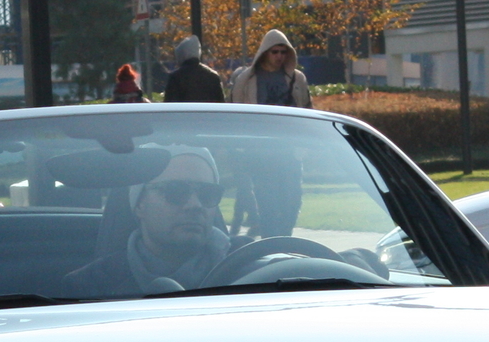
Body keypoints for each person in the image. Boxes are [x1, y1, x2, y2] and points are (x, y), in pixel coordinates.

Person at [59, 149, 236, 298]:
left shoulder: (254, 263)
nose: (195, 205)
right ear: (139, 204)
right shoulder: (88, 287)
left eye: (208, 193)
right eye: (175, 191)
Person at [228, 28, 309, 235]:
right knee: (268, 205)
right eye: (275, 52)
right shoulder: (247, 80)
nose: (280, 57)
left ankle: (285, 239)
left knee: (292, 201)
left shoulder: (296, 79)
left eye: (283, 52)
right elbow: (235, 112)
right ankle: (271, 242)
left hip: (290, 151)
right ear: (265, 52)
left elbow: (307, 109)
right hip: (259, 153)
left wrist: (305, 143)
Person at [160, 36, 225, 105]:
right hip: (208, 115)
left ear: (181, 55)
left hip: (184, 115)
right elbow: (221, 104)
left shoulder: (176, 77)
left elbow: (170, 106)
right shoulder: (213, 77)